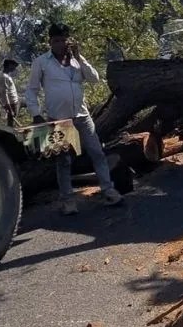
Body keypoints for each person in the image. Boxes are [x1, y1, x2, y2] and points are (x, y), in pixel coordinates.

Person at [26, 23, 122, 213]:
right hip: (58, 119)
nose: (60, 44)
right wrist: (36, 114)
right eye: (56, 40)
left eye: (63, 40)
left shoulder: (77, 59)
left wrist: (79, 57)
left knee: (97, 152)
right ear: (50, 42)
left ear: (69, 40)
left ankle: (108, 190)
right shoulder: (42, 62)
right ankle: (68, 201)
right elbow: (32, 89)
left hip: (82, 116)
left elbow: (94, 78)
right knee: (63, 161)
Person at [0, 58, 21, 127]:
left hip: (15, 101)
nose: (15, 67)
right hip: (11, 104)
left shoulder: (7, 76)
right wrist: (9, 108)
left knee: (12, 120)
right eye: (14, 65)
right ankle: (10, 134)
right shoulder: (3, 77)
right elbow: (4, 94)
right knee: (11, 122)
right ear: (9, 65)